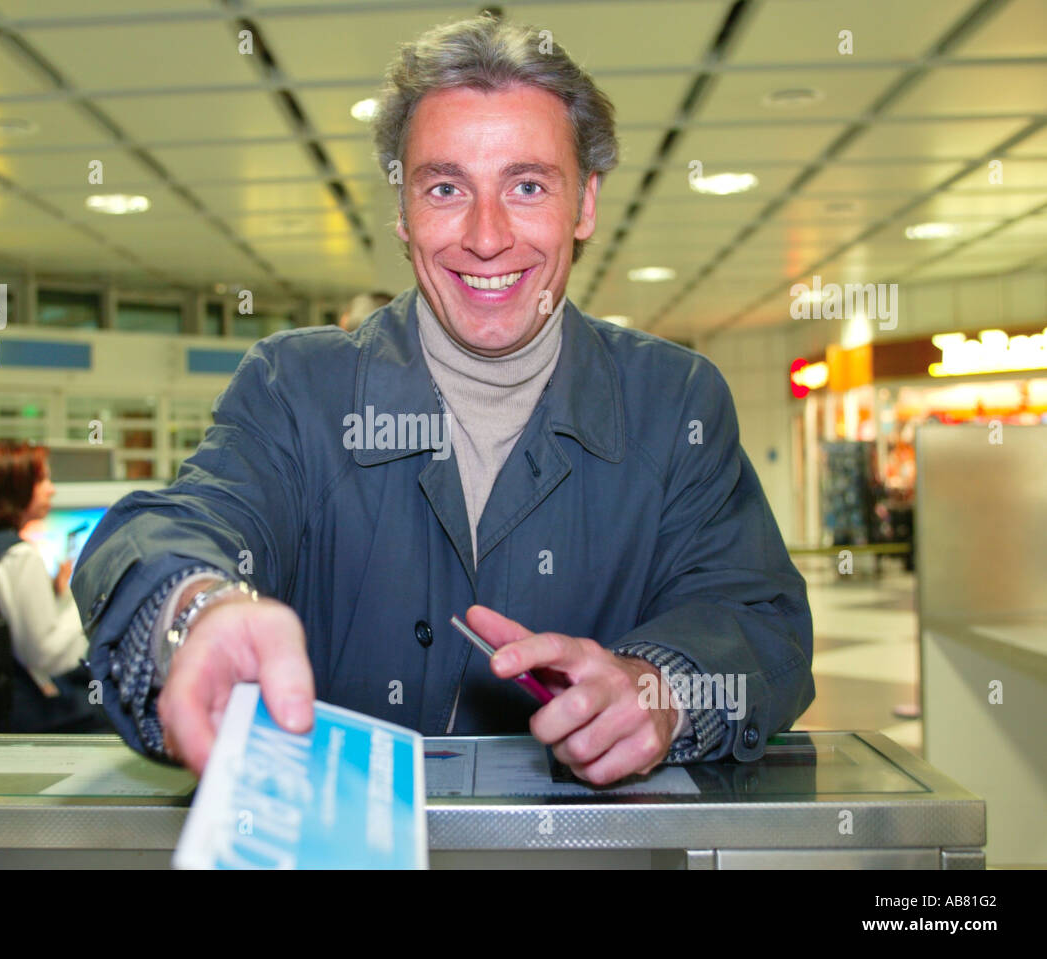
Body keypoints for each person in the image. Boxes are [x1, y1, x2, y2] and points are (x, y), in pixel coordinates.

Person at [72, 16, 814, 785]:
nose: (486, 237)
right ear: (403, 210)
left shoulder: (675, 402)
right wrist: (197, 610)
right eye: (446, 188)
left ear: (586, 203)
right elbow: (174, 527)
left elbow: (759, 620)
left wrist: (660, 688)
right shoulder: (296, 389)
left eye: (527, 186)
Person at [0, 440, 108, 734]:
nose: (51, 490)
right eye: (41, 481)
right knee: (118, 711)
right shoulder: (18, 556)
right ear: (13, 489)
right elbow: (48, 656)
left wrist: (61, 595)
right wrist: (91, 600)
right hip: (18, 714)